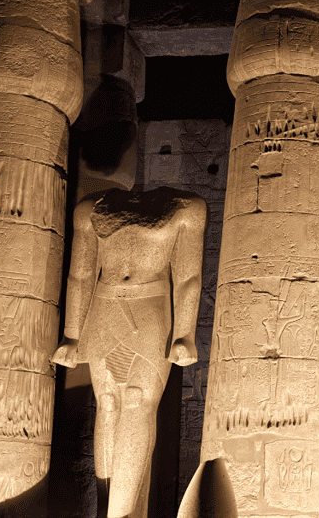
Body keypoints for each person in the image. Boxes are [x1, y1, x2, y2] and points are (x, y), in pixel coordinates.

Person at [53, 187, 206, 518]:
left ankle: (121, 513)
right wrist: (71, 335)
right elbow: (80, 275)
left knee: (137, 402)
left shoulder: (187, 208)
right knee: (107, 404)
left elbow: (188, 276)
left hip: (152, 311)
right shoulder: (90, 208)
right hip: (104, 307)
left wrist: (184, 334)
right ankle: (108, 506)